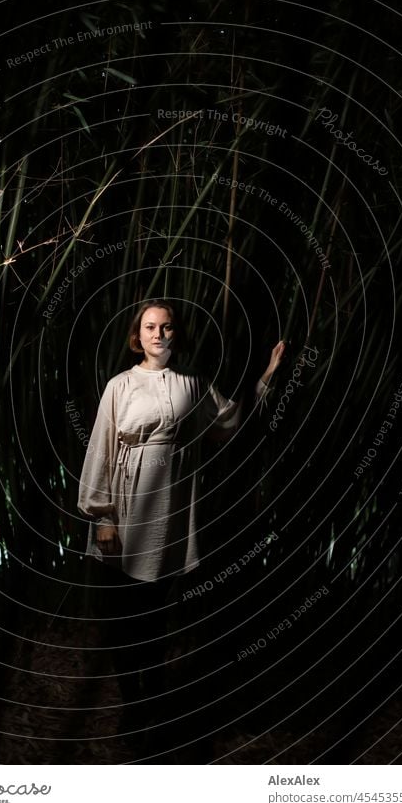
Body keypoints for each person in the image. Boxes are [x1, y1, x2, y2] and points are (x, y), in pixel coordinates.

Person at [77, 299, 284, 756]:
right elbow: (101, 448)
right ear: (137, 335)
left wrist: (267, 378)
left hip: (168, 518)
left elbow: (229, 422)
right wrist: (103, 517)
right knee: (123, 620)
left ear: (176, 334)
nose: (158, 334)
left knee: (154, 617)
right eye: (150, 326)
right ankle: (133, 704)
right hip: (125, 512)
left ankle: (148, 702)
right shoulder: (121, 385)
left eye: (166, 326)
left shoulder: (193, 384)